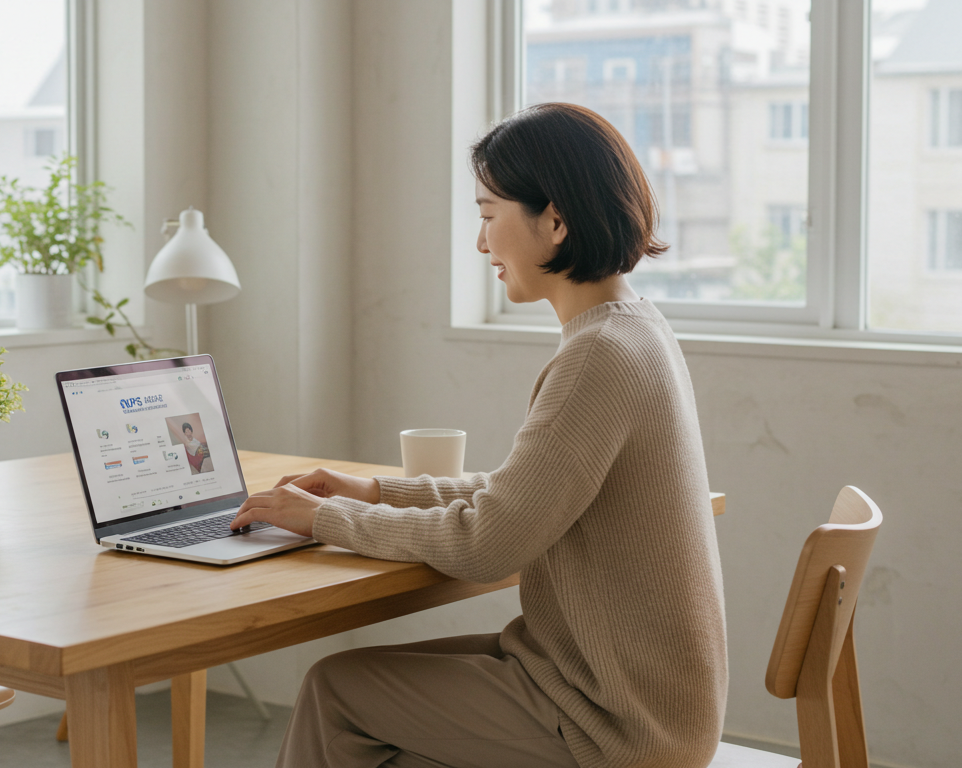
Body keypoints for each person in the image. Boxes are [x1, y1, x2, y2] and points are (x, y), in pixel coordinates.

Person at [230, 103, 727, 768]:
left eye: (489, 215)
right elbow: (521, 494)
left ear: (554, 219)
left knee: (337, 694)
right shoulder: (635, 327)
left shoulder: (597, 357)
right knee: (349, 704)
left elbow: (490, 542)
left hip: (613, 722)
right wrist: (376, 489)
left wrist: (328, 519)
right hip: (623, 692)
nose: (480, 242)